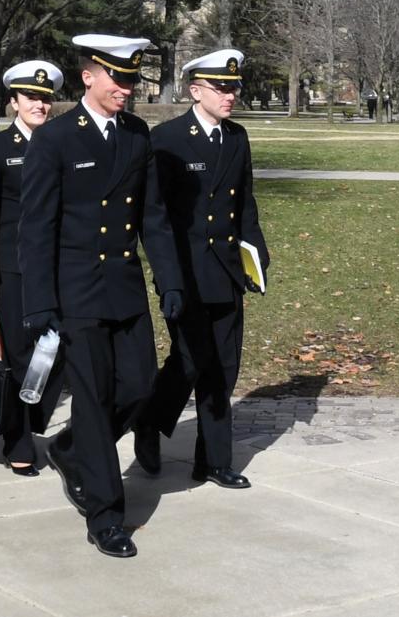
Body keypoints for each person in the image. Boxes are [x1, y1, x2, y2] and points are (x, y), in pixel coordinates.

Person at [19, 34, 183, 558]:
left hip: (125, 288)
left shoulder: (138, 135)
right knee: (92, 401)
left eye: (133, 79)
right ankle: (106, 514)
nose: (128, 88)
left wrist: (170, 281)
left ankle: (70, 449)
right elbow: (36, 226)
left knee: (136, 389)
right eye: (118, 77)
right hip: (76, 291)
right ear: (89, 76)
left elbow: (152, 217)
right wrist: (40, 302)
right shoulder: (56, 139)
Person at [133, 49, 270, 490]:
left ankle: (212, 460)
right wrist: (167, 276)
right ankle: (150, 424)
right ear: (196, 91)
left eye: (234, 87)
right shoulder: (168, 139)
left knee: (223, 368)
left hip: (226, 271)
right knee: (190, 361)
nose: (230, 95)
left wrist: (256, 255)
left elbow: (243, 202)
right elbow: (154, 216)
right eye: (221, 87)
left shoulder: (237, 138)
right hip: (185, 274)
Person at [0, 60, 65, 476]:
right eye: (31, 97)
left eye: (45, 98)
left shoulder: (64, 143)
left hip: (59, 266)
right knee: (18, 355)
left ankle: (35, 421)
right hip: (12, 270)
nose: (40, 105)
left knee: (56, 353)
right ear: (13, 102)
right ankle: (19, 439)